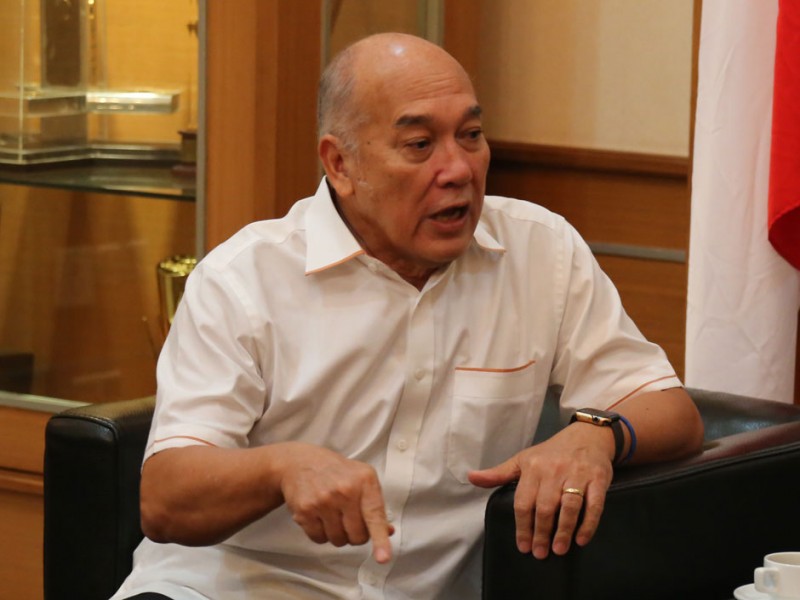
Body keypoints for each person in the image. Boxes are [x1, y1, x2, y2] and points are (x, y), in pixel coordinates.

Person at [111, 32, 704, 600]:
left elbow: (673, 412)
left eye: (471, 135)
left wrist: (595, 434)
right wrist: (280, 468)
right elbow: (165, 498)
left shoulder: (540, 252)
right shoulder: (244, 279)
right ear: (340, 164)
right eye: (420, 145)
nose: (458, 169)